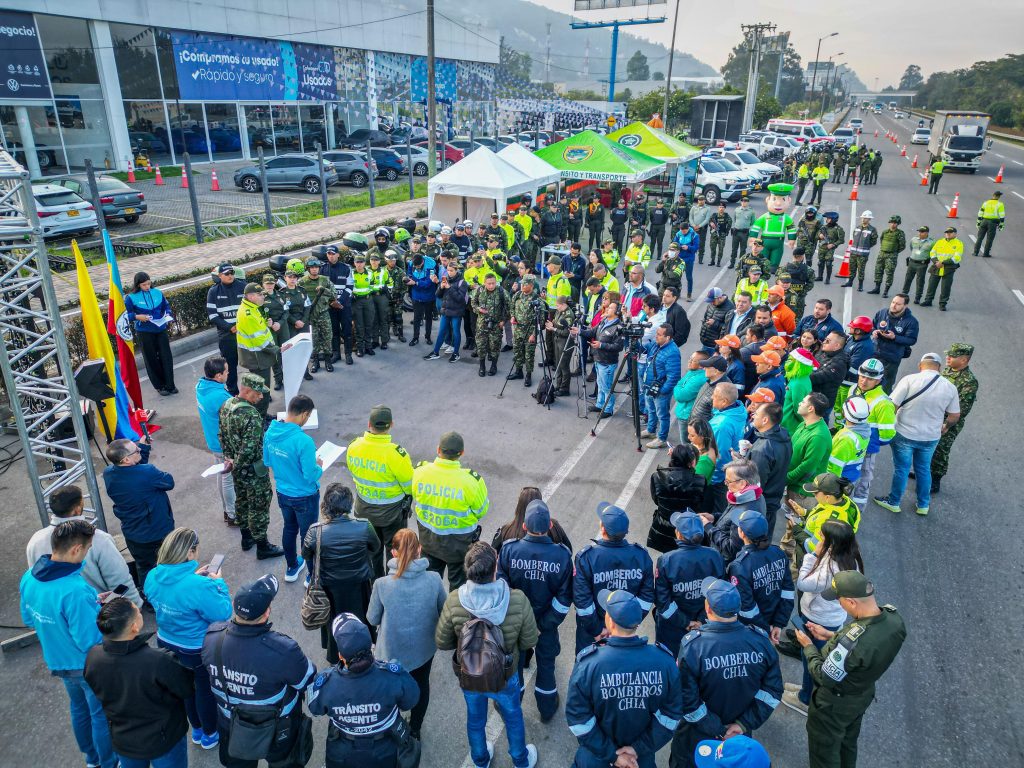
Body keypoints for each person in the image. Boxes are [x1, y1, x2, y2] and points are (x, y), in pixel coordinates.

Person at [435, 542, 540, 768]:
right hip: (505, 673)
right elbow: (530, 641)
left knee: (475, 721)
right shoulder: (517, 599)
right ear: (495, 569)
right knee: (513, 717)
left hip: (470, 674)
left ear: (468, 570)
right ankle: (521, 760)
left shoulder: (455, 600)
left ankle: (480, 760)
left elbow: (442, 642)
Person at [21, 520, 116, 768]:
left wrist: (87, 606)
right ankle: (108, 762)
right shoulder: (75, 590)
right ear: (76, 549)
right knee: (100, 716)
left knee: (78, 709)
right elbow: (89, 641)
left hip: (57, 660)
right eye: (88, 548)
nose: (87, 553)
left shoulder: (29, 578)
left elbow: (29, 618)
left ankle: (91, 759)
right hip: (86, 666)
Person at [202, 574, 316, 768]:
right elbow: (308, 681)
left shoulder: (212, 638)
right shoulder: (284, 650)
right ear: (266, 613)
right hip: (280, 729)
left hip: (233, 725)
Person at [795, 572, 906, 768]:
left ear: (852, 602)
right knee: (847, 743)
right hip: (861, 695)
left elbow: (823, 675)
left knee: (825, 752)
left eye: (840, 600)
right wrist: (832, 635)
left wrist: (808, 646)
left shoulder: (851, 642)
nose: (840, 604)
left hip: (834, 705)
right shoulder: (894, 620)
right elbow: (863, 648)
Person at [670, 577, 783, 768]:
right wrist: (741, 725)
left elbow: (687, 700)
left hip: (698, 736)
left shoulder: (693, 647)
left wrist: (718, 729)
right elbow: (772, 692)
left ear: (708, 608)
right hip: (740, 735)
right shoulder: (760, 641)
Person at [567, 589, 684, 768]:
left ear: (610, 622)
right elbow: (671, 716)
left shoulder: (588, 665)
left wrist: (611, 755)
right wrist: (638, 749)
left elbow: (579, 719)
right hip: (639, 759)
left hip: (597, 757)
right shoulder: (665, 662)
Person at [144, 527, 232, 750]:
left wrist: (192, 579)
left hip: (166, 641)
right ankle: (211, 734)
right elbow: (222, 613)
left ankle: (197, 729)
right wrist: (218, 583)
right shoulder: (199, 586)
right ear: (190, 552)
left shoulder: (152, 576)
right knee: (204, 690)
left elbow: (170, 595)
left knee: (185, 689)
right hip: (195, 647)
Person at [85, 597, 194, 768]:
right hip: (163, 739)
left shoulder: (93, 656)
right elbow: (186, 688)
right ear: (134, 627)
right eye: (137, 611)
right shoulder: (158, 660)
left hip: (123, 739)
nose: (140, 612)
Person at [306, 613, 419, 768]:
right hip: (386, 752)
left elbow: (315, 708)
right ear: (370, 647)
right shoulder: (393, 676)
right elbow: (411, 699)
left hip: (343, 754)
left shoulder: (326, 684)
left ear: (340, 656)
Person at [497, 499, 573, 722]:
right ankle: (547, 709)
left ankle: (511, 708)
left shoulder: (509, 550)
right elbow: (564, 599)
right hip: (546, 625)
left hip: (516, 625)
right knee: (547, 667)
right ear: (550, 526)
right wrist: (543, 625)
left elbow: (502, 591)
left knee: (514, 668)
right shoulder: (562, 556)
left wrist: (519, 622)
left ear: (523, 527)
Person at [366, 529, 445, 739]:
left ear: (393, 553)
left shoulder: (382, 585)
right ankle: (415, 729)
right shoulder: (434, 579)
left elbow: (372, 619)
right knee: (422, 686)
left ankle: (392, 727)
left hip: (391, 651)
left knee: (390, 691)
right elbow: (443, 610)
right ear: (420, 550)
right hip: (424, 649)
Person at [781, 521, 864, 716]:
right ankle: (806, 688)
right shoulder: (850, 558)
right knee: (811, 656)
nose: (818, 537)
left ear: (831, 543)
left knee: (811, 657)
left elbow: (802, 583)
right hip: (829, 617)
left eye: (822, 536)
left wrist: (812, 556)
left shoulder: (830, 569)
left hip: (819, 619)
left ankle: (805, 699)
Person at [872, 353, 960, 517]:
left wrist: (889, 425)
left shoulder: (909, 380)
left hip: (904, 433)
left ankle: (894, 502)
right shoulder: (950, 387)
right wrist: (945, 426)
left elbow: (892, 405)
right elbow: (955, 416)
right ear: (939, 368)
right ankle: (923, 504)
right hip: (931, 437)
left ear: (921, 365)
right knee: (924, 469)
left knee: (902, 469)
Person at [25, 485, 142, 607]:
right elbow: (119, 580)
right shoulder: (97, 539)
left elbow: (35, 582)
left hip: (54, 611)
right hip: (98, 614)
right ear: (77, 509)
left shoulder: (36, 540)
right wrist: (133, 607)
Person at [303, 483, 380, 662]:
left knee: (333, 622)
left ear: (326, 506)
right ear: (349, 504)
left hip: (329, 589)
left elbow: (306, 554)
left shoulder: (316, 531)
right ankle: (365, 649)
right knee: (362, 618)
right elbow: (375, 548)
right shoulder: (364, 526)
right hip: (359, 586)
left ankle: (335, 654)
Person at [573, 503, 655, 653]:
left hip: (591, 633)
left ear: (602, 528)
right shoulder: (641, 556)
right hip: (624, 633)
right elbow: (646, 597)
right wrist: (628, 623)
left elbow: (582, 600)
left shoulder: (587, 557)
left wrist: (598, 631)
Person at [219, 374, 285, 560]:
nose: (262, 397)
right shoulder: (251, 415)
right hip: (253, 470)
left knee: (242, 501)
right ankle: (263, 546)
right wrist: (238, 463)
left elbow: (222, 435)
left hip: (236, 469)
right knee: (259, 506)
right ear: (247, 391)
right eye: (258, 393)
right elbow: (249, 448)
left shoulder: (227, 405)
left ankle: (246, 538)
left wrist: (230, 459)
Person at [413, 431, 490, 590]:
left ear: (438, 449)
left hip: (429, 542)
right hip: (459, 546)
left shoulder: (420, 472)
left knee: (429, 586)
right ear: (461, 453)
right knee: (458, 589)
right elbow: (481, 511)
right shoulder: (472, 481)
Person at [345, 405, 414, 580]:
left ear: (369, 424)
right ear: (391, 425)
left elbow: (354, 472)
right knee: (395, 552)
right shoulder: (397, 454)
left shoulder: (354, 446)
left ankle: (376, 584)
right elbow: (409, 486)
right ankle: (393, 583)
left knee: (372, 552)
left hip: (364, 511)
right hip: (392, 514)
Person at [102, 435, 175, 593]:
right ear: (126, 460)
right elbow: (169, 482)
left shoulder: (109, 473)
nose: (139, 449)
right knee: (169, 564)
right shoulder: (147, 473)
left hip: (133, 533)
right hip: (157, 531)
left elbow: (136, 473)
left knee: (144, 568)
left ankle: (148, 596)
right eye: (136, 450)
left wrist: (144, 448)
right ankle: (169, 596)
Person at [264, 394, 323, 582]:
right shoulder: (303, 440)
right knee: (308, 535)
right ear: (304, 414)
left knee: (289, 529)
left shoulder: (270, 433)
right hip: (305, 495)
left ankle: (292, 567)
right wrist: (319, 465)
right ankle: (311, 575)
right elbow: (310, 475)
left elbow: (267, 461)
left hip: (283, 492)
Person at [654, 510, 725, 658]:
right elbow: (718, 593)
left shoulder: (667, 560)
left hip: (672, 628)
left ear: (678, 534)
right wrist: (700, 620)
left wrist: (685, 622)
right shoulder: (714, 555)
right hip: (705, 625)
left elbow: (662, 601)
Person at [729, 510, 794, 636]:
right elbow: (788, 591)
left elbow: (747, 608)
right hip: (772, 620)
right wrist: (778, 624)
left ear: (741, 533)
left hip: (752, 627)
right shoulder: (778, 552)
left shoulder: (740, 566)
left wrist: (766, 628)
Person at [930, 343, 979, 494]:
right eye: (948, 355)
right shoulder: (947, 370)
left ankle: (935, 479)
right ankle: (924, 473)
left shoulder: (969, 381)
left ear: (964, 360)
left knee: (940, 449)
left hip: (949, 422)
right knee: (928, 446)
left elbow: (962, 409)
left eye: (952, 356)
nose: (948, 357)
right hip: (934, 416)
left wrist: (946, 424)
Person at [195, 357, 237, 525]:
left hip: (212, 439)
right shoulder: (219, 396)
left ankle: (227, 511)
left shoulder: (201, 386)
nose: (229, 373)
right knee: (228, 478)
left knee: (222, 473)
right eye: (226, 371)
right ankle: (233, 514)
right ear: (219, 375)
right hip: (223, 443)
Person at [701, 459, 766, 565]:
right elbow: (729, 518)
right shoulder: (752, 495)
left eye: (728, 481)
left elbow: (730, 550)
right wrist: (714, 518)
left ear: (742, 483)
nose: (725, 484)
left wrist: (708, 527)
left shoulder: (743, 514)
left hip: (724, 562)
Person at [648, 444, 709, 553]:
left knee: (666, 557)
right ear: (693, 462)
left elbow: (656, 500)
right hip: (689, 530)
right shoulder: (700, 481)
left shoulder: (657, 477)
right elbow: (702, 504)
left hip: (663, 528)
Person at [126, 271, 176, 395]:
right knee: (151, 358)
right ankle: (160, 386)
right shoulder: (131, 298)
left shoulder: (158, 293)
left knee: (166, 356)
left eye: (149, 283)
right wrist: (138, 317)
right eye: (144, 285)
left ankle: (170, 384)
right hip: (144, 331)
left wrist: (168, 315)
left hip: (161, 329)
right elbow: (126, 315)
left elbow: (166, 307)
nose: (147, 287)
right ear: (138, 285)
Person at [746, 402, 793, 537]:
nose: (753, 416)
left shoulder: (762, 450)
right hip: (772, 502)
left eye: (756, 414)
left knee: (756, 542)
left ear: (765, 420)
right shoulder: (783, 435)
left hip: (761, 507)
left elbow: (755, 484)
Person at [235, 282, 279, 415]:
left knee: (260, 389)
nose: (263, 297)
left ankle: (262, 414)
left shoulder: (252, 307)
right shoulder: (248, 314)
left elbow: (257, 331)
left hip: (257, 356)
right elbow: (260, 341)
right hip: (257, 358)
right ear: (250, 296)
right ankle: (261, 417)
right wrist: (277, 349)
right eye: (260, 295)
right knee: (262, 391)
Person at [575, 300, 623, 418]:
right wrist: (579, 331)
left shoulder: (618, 327)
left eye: (611, 308)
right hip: (598, 359)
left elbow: (619, 347)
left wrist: (601, 345)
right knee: (600, 384)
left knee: (606, 387)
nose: (607, 309)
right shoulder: (604, 321)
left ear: (617, 312)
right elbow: (592, 332)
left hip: (607, 362)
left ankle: (608, 409)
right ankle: (600, 404)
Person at [491, 486, 573, 554]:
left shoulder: (505, 530)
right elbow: (568, 551)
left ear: (519, 505)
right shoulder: (554, 526)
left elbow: (492, 555)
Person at [707, 382, 747, 514]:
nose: (712, 397)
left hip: (718, 477)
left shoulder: (721, 426)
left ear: (724, 401)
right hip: (731, 469)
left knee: (715, 509)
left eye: (715, 396)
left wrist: (712, 478)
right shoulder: (739, 409)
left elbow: (720, 455)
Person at [641, 323, 682, 449]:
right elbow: (643, 348)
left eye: (659, 335)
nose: (656, 336)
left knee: (662, 414)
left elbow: (674, 376)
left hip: (660, 389)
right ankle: (651, 430)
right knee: (651, 410)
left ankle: (661, 438)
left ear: (668, 337)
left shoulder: (672, 352)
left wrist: (663, 390)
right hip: (650, 385)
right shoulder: (657, 344)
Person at [207, 263, 246, 394]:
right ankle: (233, 393)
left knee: (253, 364)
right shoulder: (213, 291)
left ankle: (256, 393)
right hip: (227, 336)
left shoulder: (243, 287)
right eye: (227, 274)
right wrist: (229, 327)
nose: (230, 276)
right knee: (230, 367)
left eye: (232, 273)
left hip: (246, 333)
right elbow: (212, 315)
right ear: (220, 276)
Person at [787, 393, 834, 497]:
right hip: (792, 485)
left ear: (810, 409)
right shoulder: (804, 424)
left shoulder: (818, 437)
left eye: (803, 402)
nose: (799, 403)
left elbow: (807, 468)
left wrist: (786, 478)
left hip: (802, 493)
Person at [871, 295, 919, 393]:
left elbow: (911, 340)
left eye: (898, 304)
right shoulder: (882, 313)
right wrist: (874, 331)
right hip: (875, 353)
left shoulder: (911, 322)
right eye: (893, 302)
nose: (893, 305)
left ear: (905, 306)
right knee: (869, 378)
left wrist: (895, 337)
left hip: (891, 358)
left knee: (885, 385)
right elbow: (872, 325)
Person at [320, 244, 355, 365]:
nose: (331, 256)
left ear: (338, 255)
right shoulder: (322, 269)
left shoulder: (346, 268)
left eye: (333, 254)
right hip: (330, 306)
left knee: (347, 330)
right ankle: (336, 354)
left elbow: (350, 287)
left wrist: (339, 302)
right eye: (329, 254)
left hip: (344, 305)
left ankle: (348, 354)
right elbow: (321, 289)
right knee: (334, 331)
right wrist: (331, 302)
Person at [472, 273, 511, 377]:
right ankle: (482, 366)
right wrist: (478, 309)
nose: (491, 286)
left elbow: (509, 307)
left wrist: (504, 320)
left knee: (495, 346)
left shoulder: (501, 292)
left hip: (496, 324)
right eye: (488, 284)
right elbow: (473, 303)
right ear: (484, 283)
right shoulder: (479, 291)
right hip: (482, 324)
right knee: (481, 346)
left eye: (493, 283)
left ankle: (494, 366)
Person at [921, 226, 964, 312]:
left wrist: (943, 262)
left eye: (950, 232)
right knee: (931, 284)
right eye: (947, 232)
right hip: (937, 266)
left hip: (948, 268)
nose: (948, 234)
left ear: (955, 234)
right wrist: (936, 262)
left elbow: (957, 258)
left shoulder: (958, 243)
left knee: (946, 287)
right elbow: (932, 252)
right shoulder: (940, 242)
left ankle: (942, 303)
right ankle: (928, 300)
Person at [674, 350, 711, 444]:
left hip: (687, 415)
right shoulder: (692, 372)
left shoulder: (699, 379)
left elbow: (680, 395)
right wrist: (680, 386)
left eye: (693, 360)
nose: (689, 361)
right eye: (690, 358)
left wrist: (678, 386)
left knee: (687, 443)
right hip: (685, 413)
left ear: (701, 365)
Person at [406, 250, 438, 346]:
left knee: (428, 318)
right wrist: (408, 279)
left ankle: (428, 337)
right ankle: (415, 338)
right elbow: (409, 274)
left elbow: (429, 283)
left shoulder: (431, 265)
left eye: (419, 266)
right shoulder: (412, 263)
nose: (417, 268)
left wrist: (415, 282)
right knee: (416, 318)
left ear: (423, 262)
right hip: (416, 296)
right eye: (415, 266)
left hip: (429, 296)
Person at [782, 347, 817, 435]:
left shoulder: (798, 383)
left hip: (790, 426)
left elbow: (798, 409)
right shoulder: (800, 377)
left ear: (799, 363)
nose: (787, 362)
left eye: (791, 360)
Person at [841, 212, 877, 292]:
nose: (864, 219)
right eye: (863, 217)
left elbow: (873, 241)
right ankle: (850, 282)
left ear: (869, 219)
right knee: (852, 268)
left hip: (863, 254)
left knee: (861, 270)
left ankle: (860, 286)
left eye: (866, 218)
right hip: (853, 252)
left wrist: (866, 246)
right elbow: (854, 236)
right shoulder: (857, 227)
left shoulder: (872, 229)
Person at [687, 419, 720, 501]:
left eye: (692, 435)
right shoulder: (698, 445)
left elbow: (693, 481)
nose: (688, 437)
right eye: (688, 434)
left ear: (702, 437)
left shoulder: (705, 460)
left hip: (700, 497)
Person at [901, 225, 934, 304]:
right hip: (912, 262)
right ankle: (904, 294)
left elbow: (933, 252)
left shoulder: (932, 242)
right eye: (919, 231)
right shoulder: (914, 239)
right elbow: (911, 248)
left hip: (922, 264)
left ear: (926, 233)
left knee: (920, 281)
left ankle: (918, 297)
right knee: (908, 279)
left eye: (922, 232)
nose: (920, 233)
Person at [673, 220, 700, 300]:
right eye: (681, 230)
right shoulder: (678, 234)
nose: (683, 232)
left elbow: (696, 247)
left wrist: (688, 247)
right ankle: (677, 293)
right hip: (679, 258)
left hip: (689, 259)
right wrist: (678, 247)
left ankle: (689, 294)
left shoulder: (694, 235)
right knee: (677, 277)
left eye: (684, 230)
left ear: (688, 228)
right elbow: (674, 244)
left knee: (689, 277)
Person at [974, 189, 1005, 258]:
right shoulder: (1000, 204)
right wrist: (1001, 225)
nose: (998, 197)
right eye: (998, 196)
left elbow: (980, 213)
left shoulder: (986, 203)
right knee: (989, 239)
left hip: (984, 221)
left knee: (980, 237)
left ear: (993, 195)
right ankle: (986, 254)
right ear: (998, 197)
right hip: (993, 223)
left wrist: (978, 222)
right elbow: (1002, 216)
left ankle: (975, 252)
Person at [730, 196, 755, 268]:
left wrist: (746, 227)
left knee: (743, 249)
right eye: (742, 201)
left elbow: (752, 222)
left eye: (745, 201)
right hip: (736, 231)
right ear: (741, 202)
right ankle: (732, 263)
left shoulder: (751, 211)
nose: (744, 203)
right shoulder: (737, 210)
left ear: (748, 202)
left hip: (744, 232)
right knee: (734, 248)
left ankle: (741, 264)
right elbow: (734, 219)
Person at [707, 202, 732, 267]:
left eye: (723, 207)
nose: (721, 209)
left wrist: (726, 232)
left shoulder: (727, 216)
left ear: (725, 208)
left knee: (721, 249)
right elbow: (709, 221)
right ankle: (712, 260)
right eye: (720, 207)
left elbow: (729, 224)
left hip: (722, 235)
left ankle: (718, 261)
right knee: (712, 248)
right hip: (714, 234)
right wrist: (711, 224)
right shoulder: (714, 215)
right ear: (718, 208)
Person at [690, 194, 712, 264]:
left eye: (702, 200)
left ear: (704, 201)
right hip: (693, 229)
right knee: (691, 243)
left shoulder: (707, 208)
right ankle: (691, 257)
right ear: (698, 200)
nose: (701, 201)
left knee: (701, 244)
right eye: (699, 200)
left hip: (702, 229)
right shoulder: (693, 208)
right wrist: (693, 226)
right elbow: (690, 217)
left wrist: (698, 226)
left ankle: (700, 259)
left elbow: (707, 219)